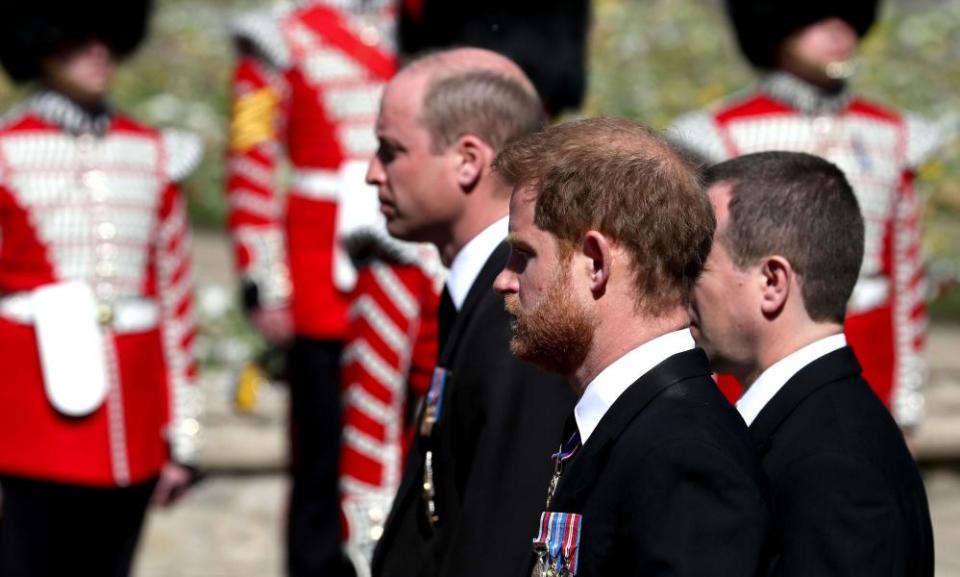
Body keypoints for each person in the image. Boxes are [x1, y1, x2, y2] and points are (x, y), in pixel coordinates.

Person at [493, 117, 771, 576]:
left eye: (524, 255)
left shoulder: (685, 454)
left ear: (596, 263)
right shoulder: (626, 423)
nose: (504, 279)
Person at [226, 3, 442, 575]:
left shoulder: (422, 20)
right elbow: (251, 159)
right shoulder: (281, 34)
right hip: (322, 279)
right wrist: (268, 280)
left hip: (416, 266)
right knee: (324, 458)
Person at [669, 0, 947, 428]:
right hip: (748, 368)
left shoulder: (894, 134)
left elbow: (906, 278)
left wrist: (906, 401)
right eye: (815, 16)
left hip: (870, 367)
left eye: (848, 16)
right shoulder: (716, 135)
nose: (838, 30)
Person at [0, 1, 201, 575]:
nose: (98, 50)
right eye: (76, 36)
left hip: (133, 429)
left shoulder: (152, 151)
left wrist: (182, 435)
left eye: (106, 35)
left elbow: (175, 300)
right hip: (29, 425)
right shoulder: (8, 151)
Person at [367, 48, 576, 577]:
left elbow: (502, 531)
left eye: (390, 151)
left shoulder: (517, 308)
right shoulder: (479, 293)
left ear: (468, 160)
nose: (373, 173)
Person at [690, 151, 934, 576]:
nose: (679, 289)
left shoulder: (838, 467)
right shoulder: (810, 427)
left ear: (772, 282)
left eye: (696, 267)